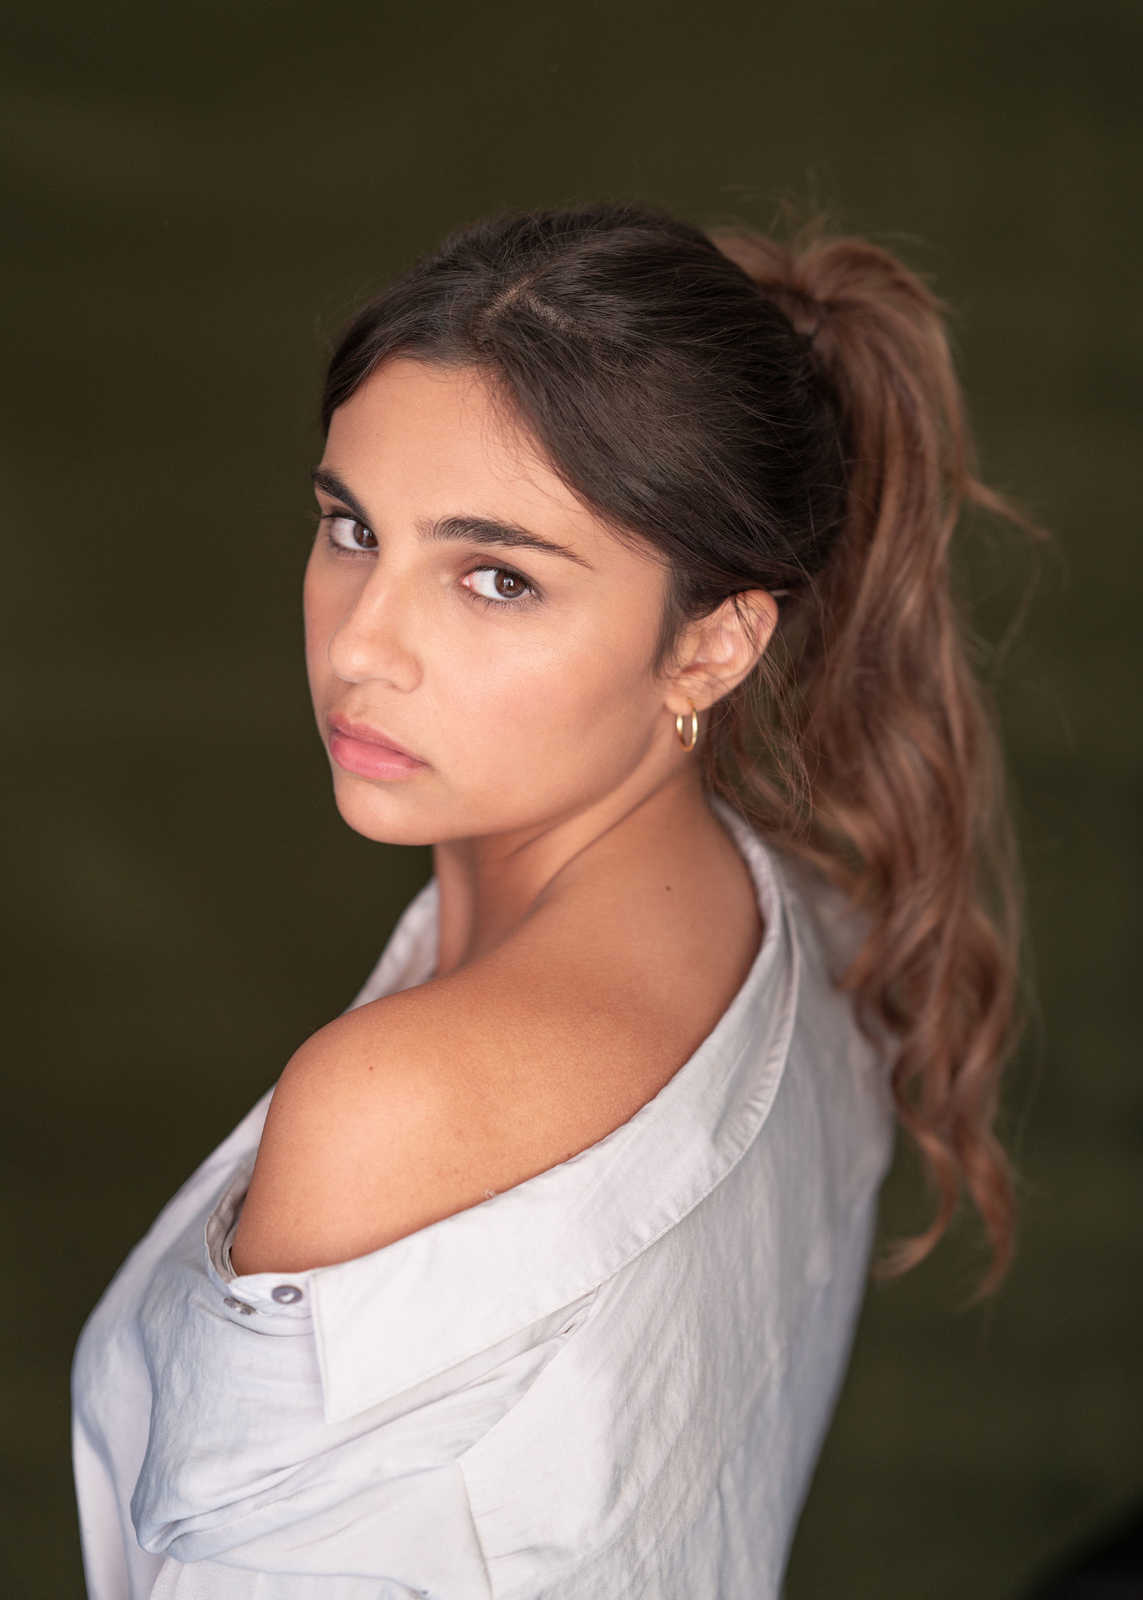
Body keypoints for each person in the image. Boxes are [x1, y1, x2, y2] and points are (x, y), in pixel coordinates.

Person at [70, 199, 1040, 1599]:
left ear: (712, 646)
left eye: (495, 577)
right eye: (351, 528)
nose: (363, 645)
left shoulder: (392, 1108)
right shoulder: (808, 923)